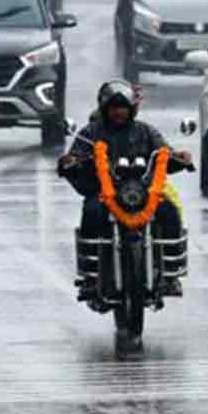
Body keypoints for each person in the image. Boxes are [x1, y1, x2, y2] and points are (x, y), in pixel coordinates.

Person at [57, 80, 190, 297]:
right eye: (113, 107)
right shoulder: (90, 132)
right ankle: (91, 277)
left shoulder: (146, 131)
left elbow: (164, 152)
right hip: (104, 194)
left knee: (169, 212)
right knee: (91, 211)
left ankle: (170, 275)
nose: (118, 112)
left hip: (142, 194)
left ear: (131, 109)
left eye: (123, 107)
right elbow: (75, 155)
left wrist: (179, 157)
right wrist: (70, 161)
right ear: (104, 108)